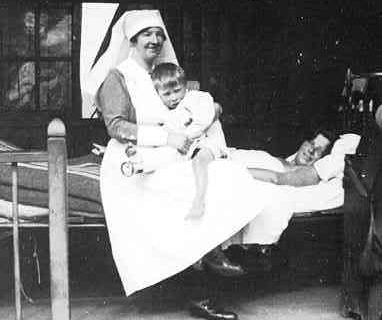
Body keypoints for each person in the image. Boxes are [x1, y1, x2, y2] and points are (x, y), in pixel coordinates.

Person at [88, 9, 349, 320]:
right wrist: (167, 137)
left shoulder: (163, 74)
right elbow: (116, 126)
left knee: (225, 175)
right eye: (147, 34)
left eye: (159, 34)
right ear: (132, 38)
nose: (155, 40)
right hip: (132, 163)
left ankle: (218, 257)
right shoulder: (119, 77)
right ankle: (205, 276)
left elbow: (187, 115)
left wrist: (206, 118)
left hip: (167, 155)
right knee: (195, 191)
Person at [151, 62, 227, 219]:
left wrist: (183, 135)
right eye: (167, 94)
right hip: (190, 146)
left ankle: (199, 202)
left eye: (177, 91)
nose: (173, 98)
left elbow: (204, 120)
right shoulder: (166, 112)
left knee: (199, 162)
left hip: (209, 141)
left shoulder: (199, 98)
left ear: (185, 86)